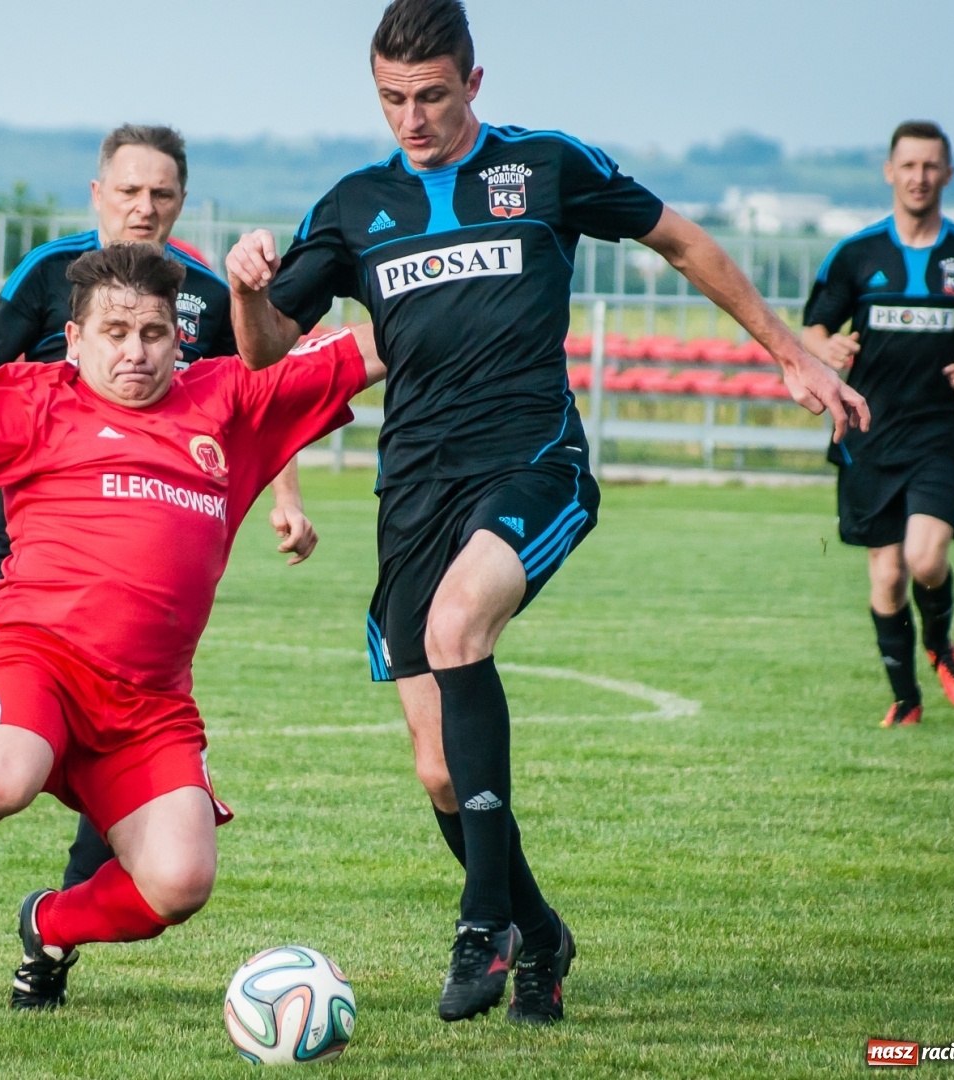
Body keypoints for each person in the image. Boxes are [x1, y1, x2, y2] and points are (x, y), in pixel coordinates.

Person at [226, 0, 866, 1026]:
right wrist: (245, 285)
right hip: (415, 490)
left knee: (456, 625)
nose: (413, 118)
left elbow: (683, 242)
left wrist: (789, 354)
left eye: (433, 95)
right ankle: (540, 931)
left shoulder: (546, 167)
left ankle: (483, 927)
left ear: (475, 84)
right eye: (393, 99)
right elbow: (261, 351)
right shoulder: (352, 206)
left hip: (531, 460)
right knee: (439, 773)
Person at [0, 243, 384, 1010]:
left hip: (148, 704)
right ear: (76, 339)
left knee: (181, 883)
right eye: (114, 333)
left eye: (153, 333)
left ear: (178, 338)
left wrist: (489, 284)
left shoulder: (231, 399)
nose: (135, 352)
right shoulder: (36, 400)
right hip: (37, 658)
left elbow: (370, 347)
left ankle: (49, 926)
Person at [0, 125, 317, 696]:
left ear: (182, 201)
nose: (144, 208)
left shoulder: (208, 294)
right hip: (43, 510)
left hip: (154, 508)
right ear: (97, 192)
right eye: (129, 191)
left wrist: (288, 500)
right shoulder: (47, 269)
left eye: (161, 195)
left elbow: (258, 399)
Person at [802, 122, 954, 728]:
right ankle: (907, 699)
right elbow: (813, 327)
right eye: (909, 165)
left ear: (948, 174)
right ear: (890, 172)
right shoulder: (856, 253)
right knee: (888, 577)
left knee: (925, 558)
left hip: (941, 432)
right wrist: (829, 349)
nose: (920, 177)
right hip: (867, 433)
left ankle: (940, 643)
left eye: (931, 166)